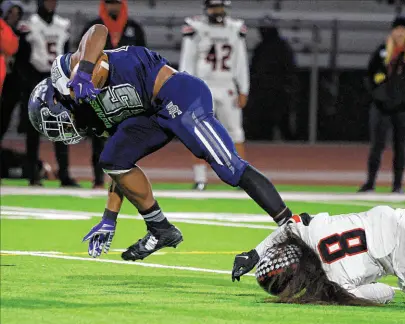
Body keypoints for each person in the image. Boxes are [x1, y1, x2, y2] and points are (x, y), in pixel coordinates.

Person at [28, 24, 295, 261]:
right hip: (152, 116)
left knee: (230, 168)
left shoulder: (74, 71)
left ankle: (291, 226)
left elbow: (98, 30)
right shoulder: (91, 115)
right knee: (112, 158)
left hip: (178, 96)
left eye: (53, 119)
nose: (60, 128)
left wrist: (83, 73)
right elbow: (118, 170)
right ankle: (160, 228)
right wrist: (109, 219)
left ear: (58, 96)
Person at [231, 206, 405, 305]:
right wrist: (255, 253)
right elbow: (293, 223)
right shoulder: (310, 231)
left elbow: (386, 293)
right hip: (402, 219)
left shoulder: (334, 282)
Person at [179, 0, 249, 190]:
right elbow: (187, 59)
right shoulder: (196, 27)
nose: (216, 11)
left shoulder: (235, 28)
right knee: (198, 132)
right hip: (203, 85)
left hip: (227, 85)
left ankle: (242, 177)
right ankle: (200, 179)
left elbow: (241, 61)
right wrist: (186, 87)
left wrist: (243, 89)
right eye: (213, 7)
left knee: (235, 132)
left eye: (219, 7)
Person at [80, 0, 147, 189]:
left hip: (127, 89)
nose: (113, 8)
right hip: (99, 90)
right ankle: (98, 179)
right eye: (109, 3)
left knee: (127, 136)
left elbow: (144, 58)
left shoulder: (134, 28)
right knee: (98, 136)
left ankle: (123, 178)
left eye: (116, 3)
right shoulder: (92, 28)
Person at [358, 16, 405, 193]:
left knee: (400, 147)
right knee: (377, 146)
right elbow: (369, 74)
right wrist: (377, 95)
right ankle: (370, 183)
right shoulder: (382, 52)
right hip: (381, 108)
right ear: (392, 31)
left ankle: (397, 185)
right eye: (398, 29)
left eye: (404, 30)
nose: (400, 33)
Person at [18, 0, 79, 186]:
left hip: (56, 79)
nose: (51, 4)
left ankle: (64, 174)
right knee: (33, 130)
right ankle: (32, 174)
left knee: (61, 128)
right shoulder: (31, 25)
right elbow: (22, 57)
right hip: (35, 77)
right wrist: (29, 83)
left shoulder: (62, 25)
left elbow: (67, 55)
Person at [245, 16, 298, 141]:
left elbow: (290, 69)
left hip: (279, 91)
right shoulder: (261, 48)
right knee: (264, 124)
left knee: (283, 123)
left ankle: (295, 151)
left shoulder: (282, 47)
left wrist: (288, 86)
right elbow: (254, 69)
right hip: (264, 91)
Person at [0, 1, 19, 96]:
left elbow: (12, 49)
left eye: (17, 13)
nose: (14, 16)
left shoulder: (18, 32)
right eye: (11, 12)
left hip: (12, 77)